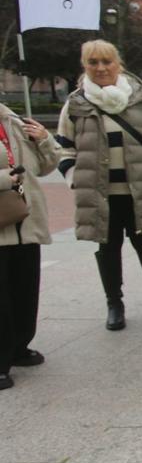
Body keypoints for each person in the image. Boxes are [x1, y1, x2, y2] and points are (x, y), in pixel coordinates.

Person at [57, 40, 142, 330]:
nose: (101, 68)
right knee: (108, 249)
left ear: (118, 63)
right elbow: (64, 148)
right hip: (100, 194)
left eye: (106, 61)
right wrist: (75, 178)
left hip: (139, 189)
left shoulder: (140, 97)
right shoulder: (76, 103)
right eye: (93, 62)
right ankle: (114, 304)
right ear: (85, 66)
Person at [0, 103, 61, 391]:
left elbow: (46, 166)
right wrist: (3, 179)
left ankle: (19, 347)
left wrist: (44, 140)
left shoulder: (13, 119)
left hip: (27, 221)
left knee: (25, 289)